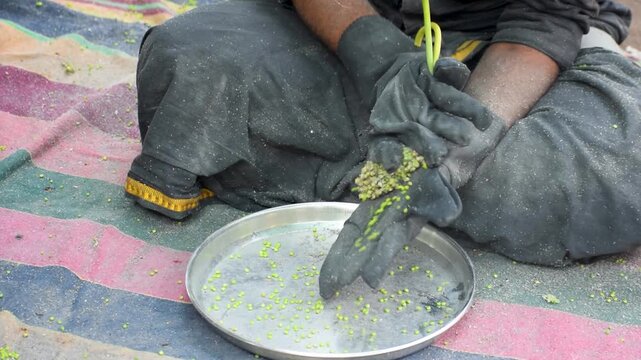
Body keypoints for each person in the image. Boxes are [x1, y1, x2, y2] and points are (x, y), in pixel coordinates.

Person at [124, 0, 641, 297]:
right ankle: (384, 160)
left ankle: (390, 169)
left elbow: (538, 24)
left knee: (614, 165)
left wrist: (457, 148)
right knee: (189, 59)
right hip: (352, 19)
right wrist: (372, 53)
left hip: (526, 49)